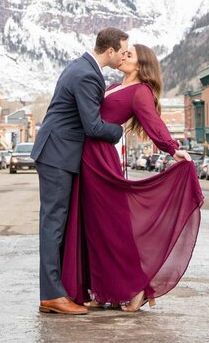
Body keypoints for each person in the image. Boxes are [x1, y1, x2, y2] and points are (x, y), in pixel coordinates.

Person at [61, 43, 204, 313]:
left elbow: (154, 124)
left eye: (129, 55)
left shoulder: (141, 92)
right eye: (123, 53)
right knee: (92, 227)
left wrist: (173, 149)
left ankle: (137, 287)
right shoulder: (115, 86)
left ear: (141, 65)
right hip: (86, 155)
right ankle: (102, 290)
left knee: (113, 227)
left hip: (101, 159)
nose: (123, 57)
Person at [32, 28, 128, 316]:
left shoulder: (81, 66)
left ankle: (60, 291)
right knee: (53, 223)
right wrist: (120, 130)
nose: (125, 55)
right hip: (57, 155)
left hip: (58, 152)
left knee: (57, 222)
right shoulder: (86, 75)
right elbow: (94, 126)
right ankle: (51, 295)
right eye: (123, 50)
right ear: (109, 51)